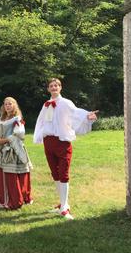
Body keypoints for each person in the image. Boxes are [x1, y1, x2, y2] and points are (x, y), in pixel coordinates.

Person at [33, 78, 98, 220]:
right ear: (48, 89)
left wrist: (88, 116)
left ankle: (65, 207)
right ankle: (61, 204)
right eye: (51, 86)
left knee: (63, 173)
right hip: (48, 142)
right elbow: (41, 121)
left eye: (56, 85)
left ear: (60, 87)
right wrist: (39, 136)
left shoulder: (66, 103)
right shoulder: (46, 105)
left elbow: (76, 113)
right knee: (55, 173)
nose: (54, 87)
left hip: (62, 142)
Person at [0, 97, 33, 210]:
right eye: (5, 104)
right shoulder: (2, 118)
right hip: (0, 149)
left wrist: (4, 140)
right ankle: (4, 196)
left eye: (10, 104)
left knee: (12, 175)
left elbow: (19, 135)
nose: (7, 106)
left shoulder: (17, 119)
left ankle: (15, 199)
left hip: (12, 150)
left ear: (14, 105)